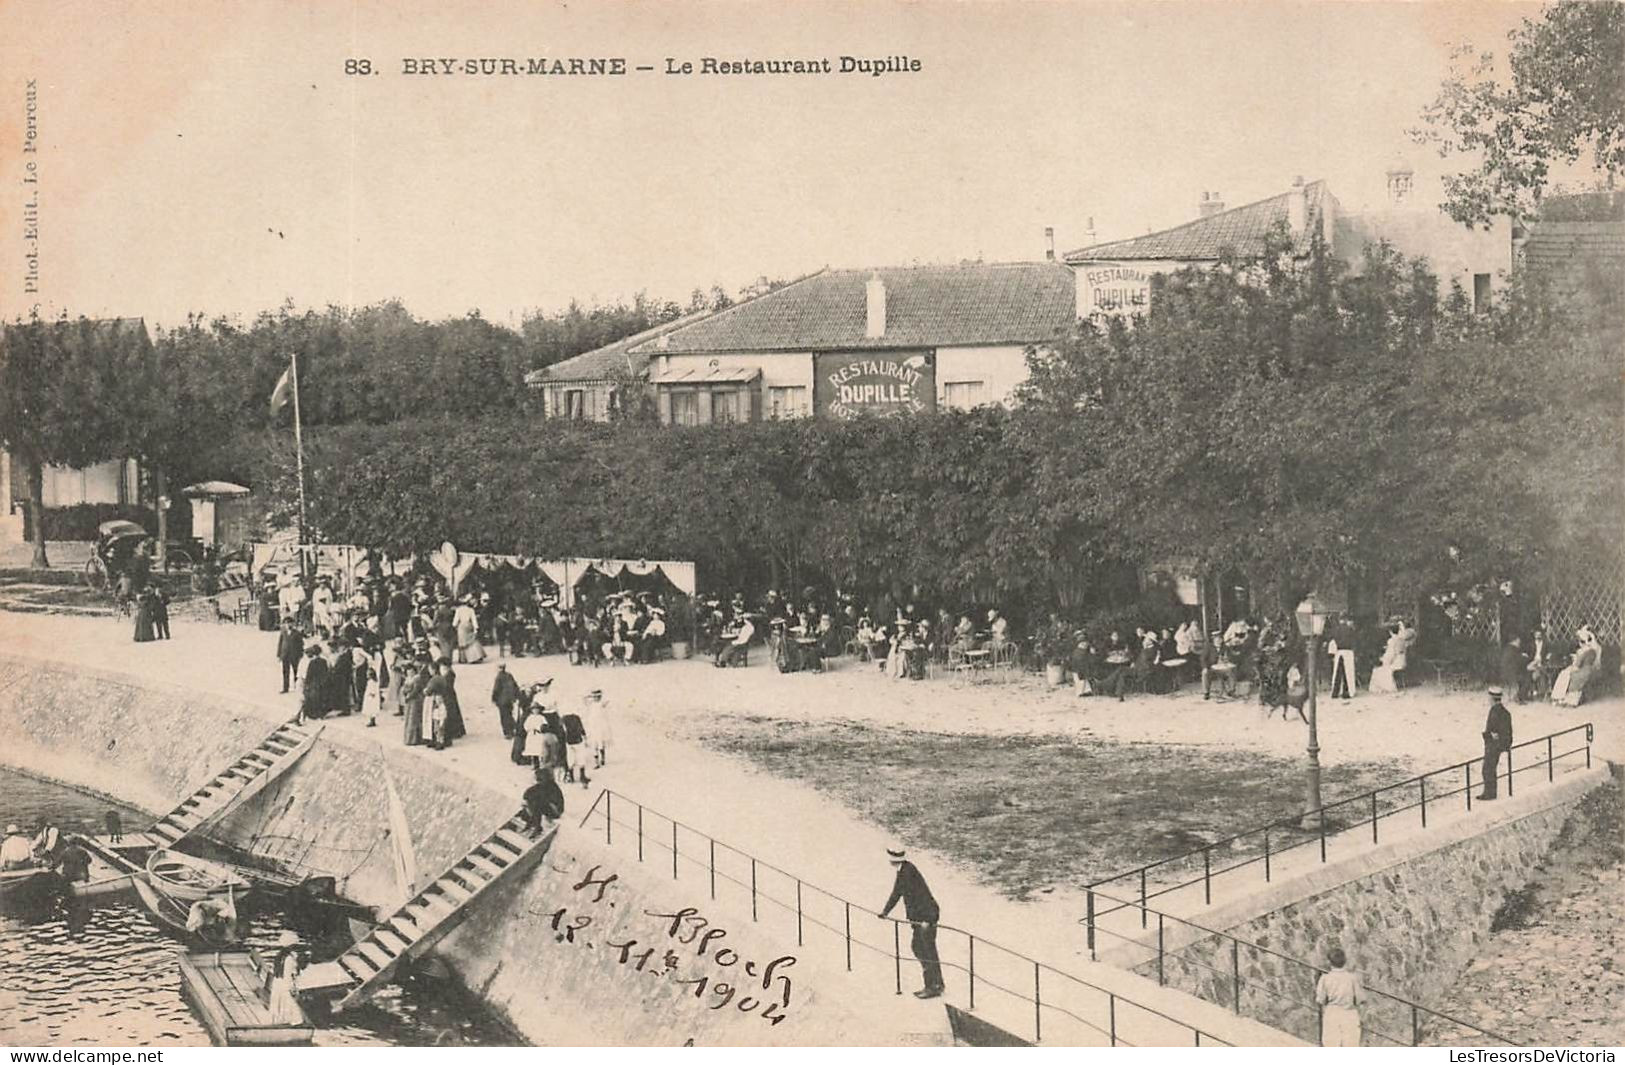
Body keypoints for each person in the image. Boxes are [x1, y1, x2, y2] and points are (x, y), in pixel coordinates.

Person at [878, 848, 944, 999]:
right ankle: (936, 984)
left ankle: (933, 986)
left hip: (925, 918)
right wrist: (885, 911)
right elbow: (897, 892)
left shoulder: (908, 872)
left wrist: (927, 920)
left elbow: (923, 897)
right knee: (920, 948)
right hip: (920, 919)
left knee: (925, 950)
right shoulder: (904, 870)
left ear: (893, 860)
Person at [1314, 946, 1365, 1046]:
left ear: (1329, 962)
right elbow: (1360, 999)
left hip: (1332, 1013)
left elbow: (1320, 1000)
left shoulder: (1325, 978)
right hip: (1350, 1013)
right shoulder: (1352, 978)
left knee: (1331, 1045)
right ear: (1345, 961)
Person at [1550, 626, 1601, 708]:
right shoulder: (1594, 649)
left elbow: (1578, 665)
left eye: (1582, 641)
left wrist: (1572, 666)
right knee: (1566, 673)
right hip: (1588, 669)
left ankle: (1559, 697)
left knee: (1564, 674)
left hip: (1583, 670)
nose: (1581, 643)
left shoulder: (1586, 651)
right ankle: (1563, 698)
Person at [1479, 686, 1513, 800]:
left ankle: (1490, 793)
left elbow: (1493, 731)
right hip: (1500, 743)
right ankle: (1489, 792)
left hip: (1494, 745)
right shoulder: (1505, 712)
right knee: (1489, 768)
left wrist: (1489, 736)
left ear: (1492, 698)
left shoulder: (1494, 711)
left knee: (1487, 769)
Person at [264, 931, 303, 1025]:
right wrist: (292, 987)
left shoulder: (279, 956)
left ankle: (278, 1021)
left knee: (277, 1004)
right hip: (285, 984)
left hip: (277, 983)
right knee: (289, 1003)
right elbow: (288, 975)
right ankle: (294, 1022)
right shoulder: (289, 959)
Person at [519, 765, 566, 836]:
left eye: (538, 779)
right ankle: (530, 822)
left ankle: (537, 827)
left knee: (537, 803)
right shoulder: (542, 785)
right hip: (549, 806)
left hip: (555, 810)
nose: (537, 781)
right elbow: (528, 792)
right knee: (532, 801)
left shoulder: (550, 786)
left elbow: (543, 798)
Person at [299, 645, 329, 723]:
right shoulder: (324, 661)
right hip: (322, 681)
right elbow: (326, 672)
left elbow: (309, 675)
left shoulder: (312, 662)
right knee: (321, 698)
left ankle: (312, 714)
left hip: (314, 682)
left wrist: (306, 684)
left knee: (312, 698)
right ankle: (320, 714)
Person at [582, 689, 611, 769]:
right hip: (592, 727)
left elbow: (608, 700)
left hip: (600, 727)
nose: (596, 698)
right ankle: (596, 762)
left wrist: (600, 694)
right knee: (594, 745)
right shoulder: (590, 704)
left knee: (601, 744)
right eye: (595, 697)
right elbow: (584, 699)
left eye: (598, 697)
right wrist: (589, 696)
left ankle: (603, 758)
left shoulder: (601, 704)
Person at [491, 662, 521, 739]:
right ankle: (513, 728)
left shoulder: (498, 677)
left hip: (502, 701)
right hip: (510, 700)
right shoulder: (509, 675)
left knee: (504, 717)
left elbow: (496, 689)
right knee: (509, 714)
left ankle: (508, 732)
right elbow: (515, 686)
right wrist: (517, 696)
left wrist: (494, 699)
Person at [1499, 636, 1530, 703]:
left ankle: (1516, 696)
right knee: (1527, 678)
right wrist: (1524, 657)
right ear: (1516, 641)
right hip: (1512, 674)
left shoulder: (1507, 649)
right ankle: (1520, 697)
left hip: (1504, 673)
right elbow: (1518, 663)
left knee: (1524, 675)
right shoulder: (1514, 650)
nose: (1519, 643)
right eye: (1519, 641)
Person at [277, 619, 305, 694]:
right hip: (285, 655)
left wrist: (300, 654)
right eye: (286, 623)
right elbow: (280, 644)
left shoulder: (297, 633)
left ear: (292, 624)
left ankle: (296, 686)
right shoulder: (283, 633)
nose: (288, 625)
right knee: (285, 672)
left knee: (296, 671)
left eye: (290, 623)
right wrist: (279, 655)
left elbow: (301, 644)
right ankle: (285, 688)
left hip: (294, 655)